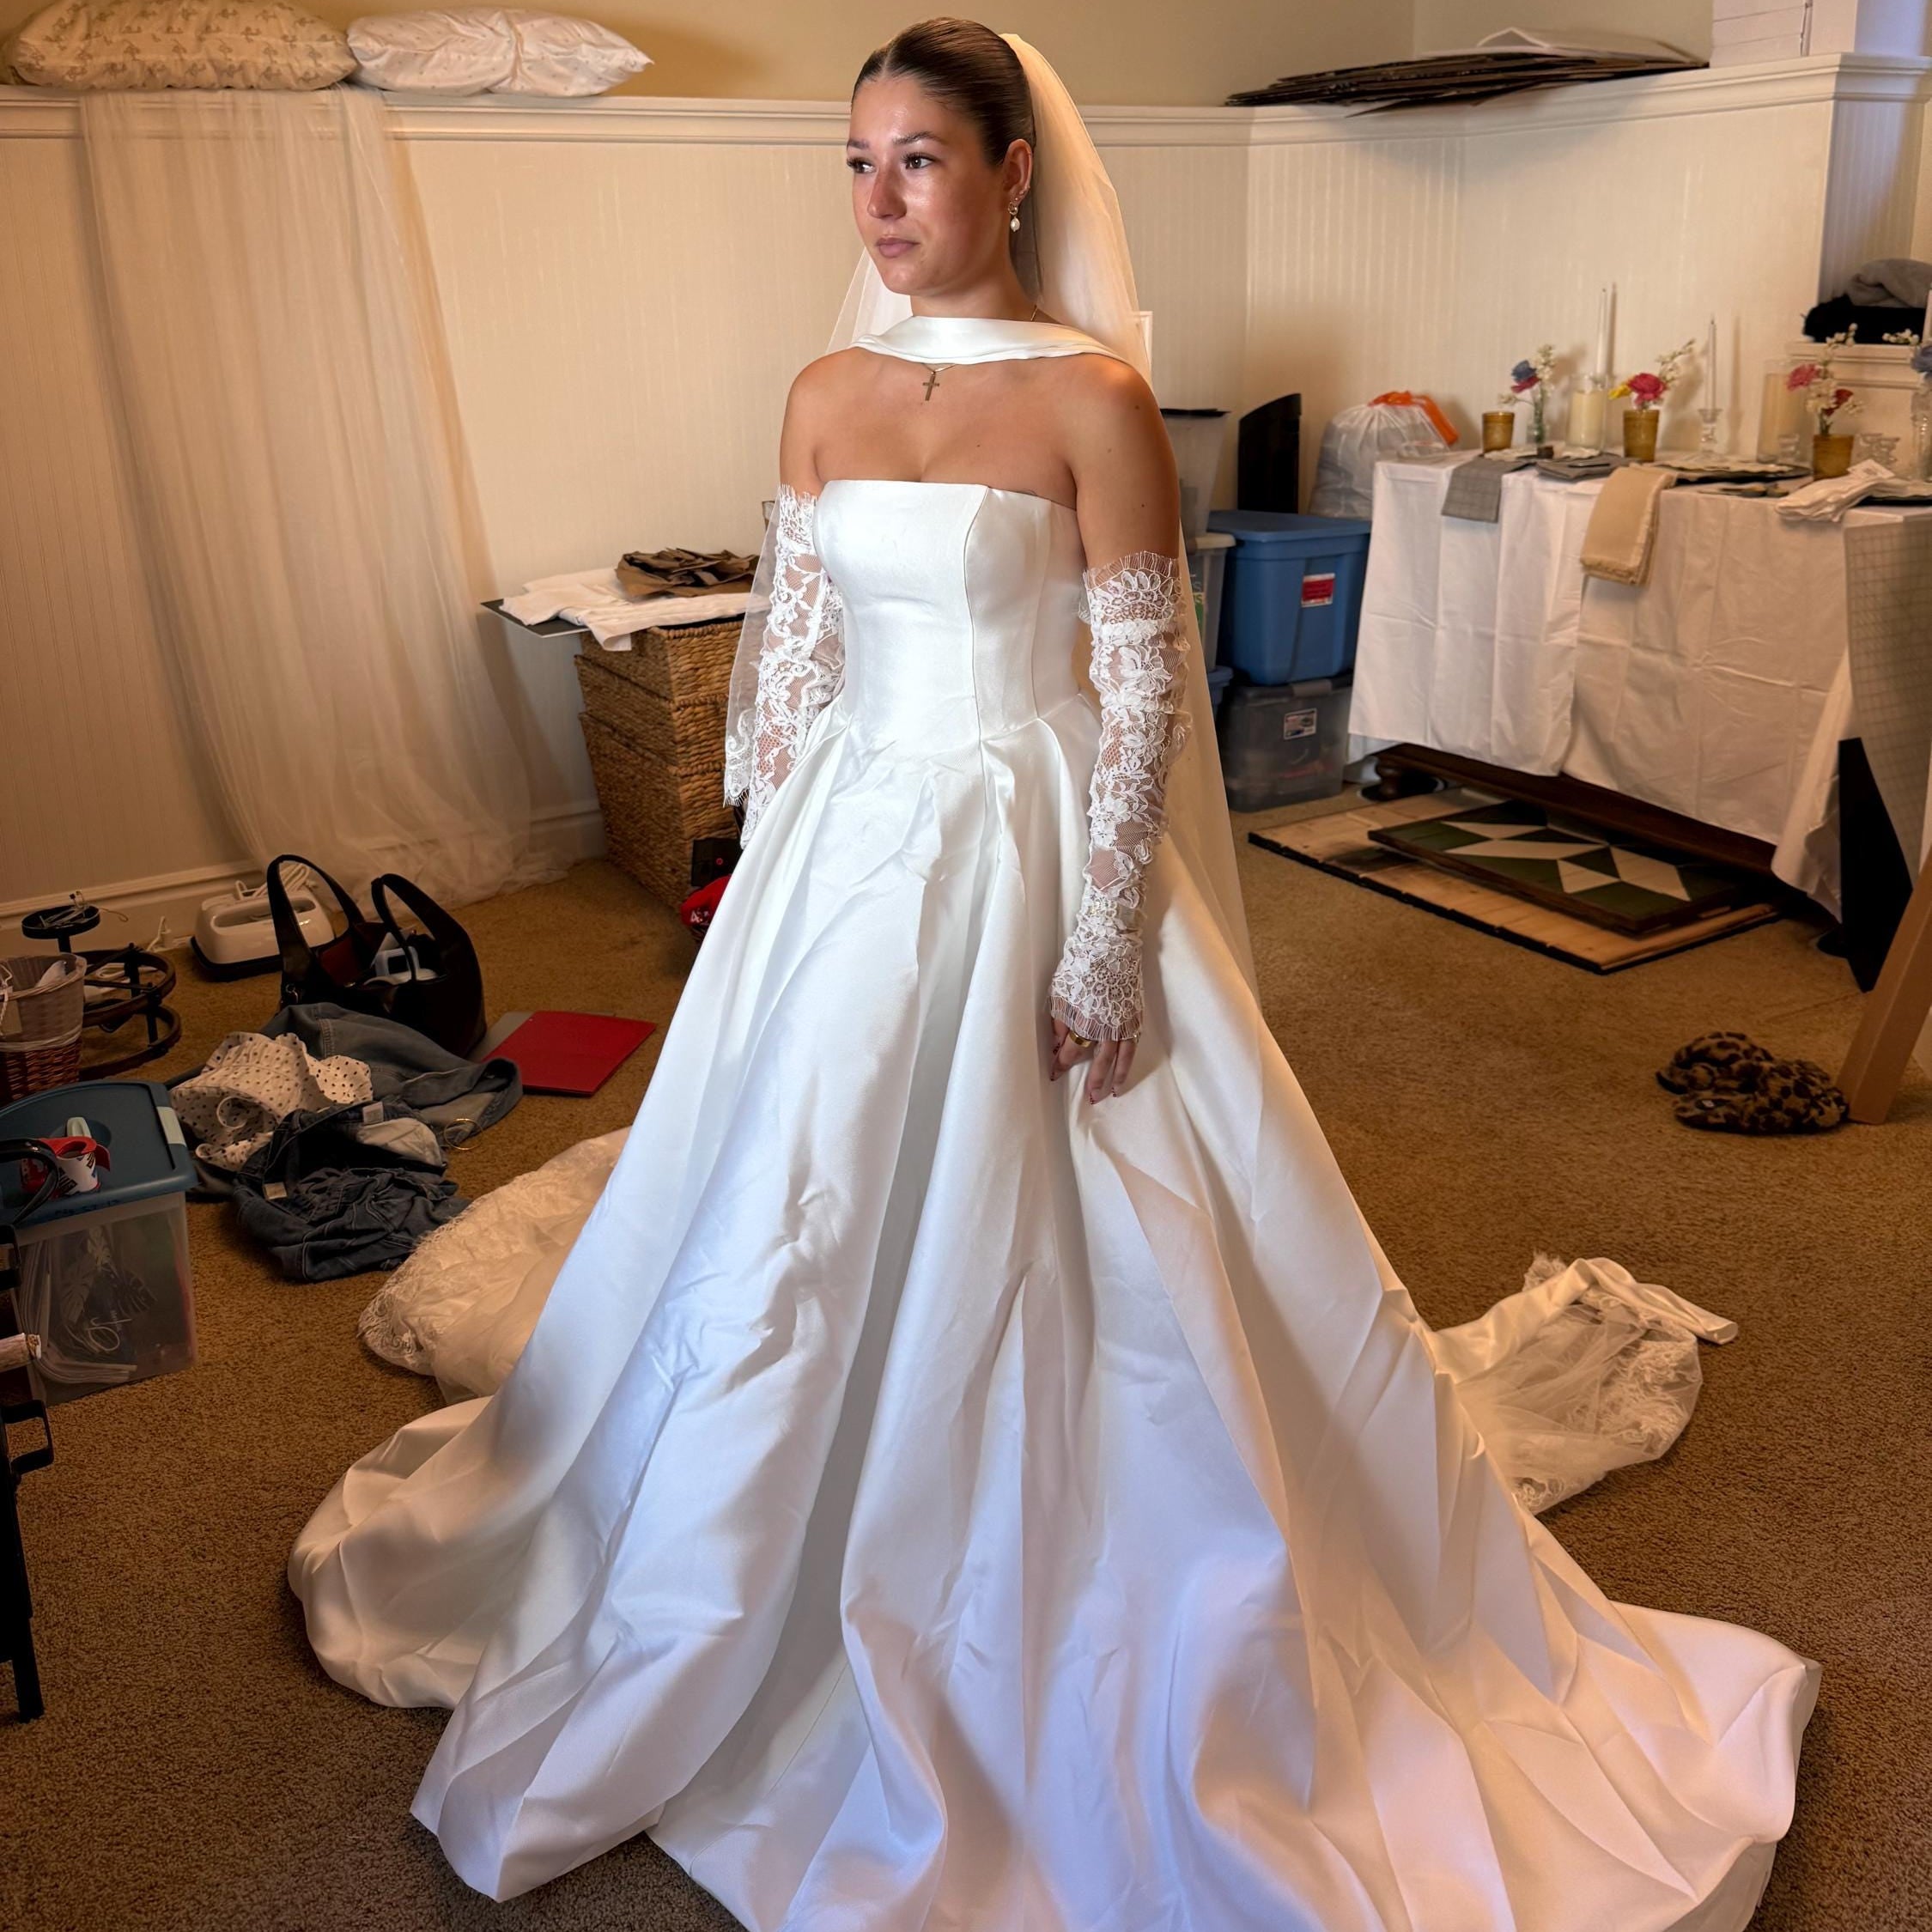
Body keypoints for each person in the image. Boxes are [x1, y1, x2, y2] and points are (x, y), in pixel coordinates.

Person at [290, 21, 1820, 1927]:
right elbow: (795, 642)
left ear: (1014, 172)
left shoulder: (1094, 400)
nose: (882, 203)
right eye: (857, 165)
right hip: (850, 841)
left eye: (919, 162)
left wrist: (1102, 941)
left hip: (1023, 832)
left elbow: (1138, 702)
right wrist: (759, 851)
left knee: (1086, 1231)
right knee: (789, 1192)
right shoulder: (826, 388)